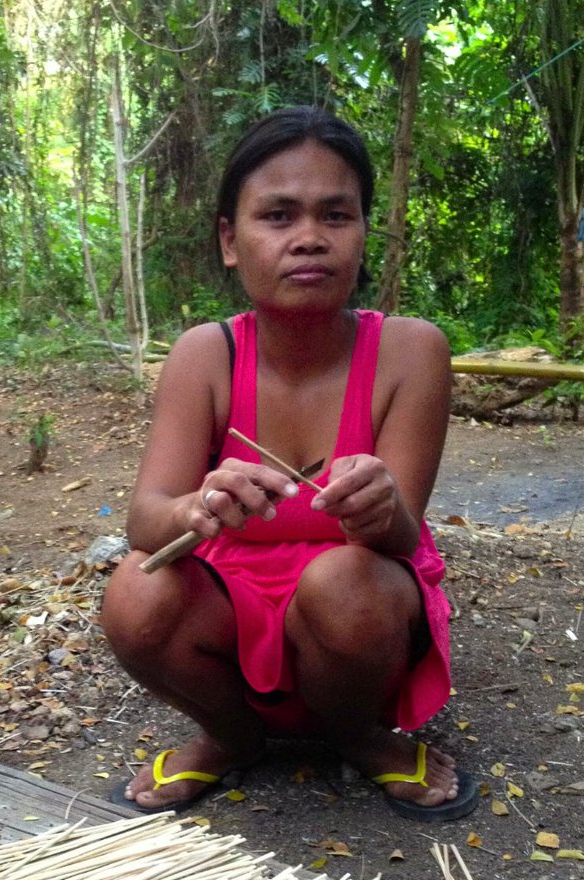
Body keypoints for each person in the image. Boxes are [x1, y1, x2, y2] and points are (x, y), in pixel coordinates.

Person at [100, 106, 477, 823]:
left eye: (336, 215)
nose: (309, 238)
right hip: (228, 616)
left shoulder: (411, 351)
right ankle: (233, 736)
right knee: (134, 594)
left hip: (359, 619)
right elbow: (146, 523)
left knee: (346, 581)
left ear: (364, 234)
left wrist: (382, 505)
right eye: (278, 216)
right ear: (230, 240)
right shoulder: (204, 355)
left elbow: (403, 540)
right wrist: (195, 508)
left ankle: (360, 735)